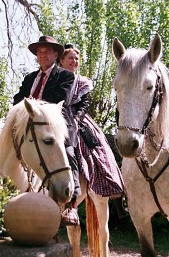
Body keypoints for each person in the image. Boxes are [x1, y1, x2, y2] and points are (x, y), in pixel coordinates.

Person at [13, 35, 81, 226]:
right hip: (30, 127)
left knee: (68, 153)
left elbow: (61, 98)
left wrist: (33, 107)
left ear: (55, 54)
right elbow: (17, 100)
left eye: (47, 52)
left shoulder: (66, 76)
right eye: (39, 52)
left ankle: (71, 205)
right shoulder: (29, 78)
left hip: (58, 127)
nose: (42, 55)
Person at [59, 44, 128, 217]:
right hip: (56, 117)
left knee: (102, 152)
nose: (74, 61)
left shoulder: (82, 82)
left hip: (78, 119)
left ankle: (118, 198)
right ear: (61, 61)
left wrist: (76, 118)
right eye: (70, 58)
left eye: (76, 58)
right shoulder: (55, 80)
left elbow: (85, 104)